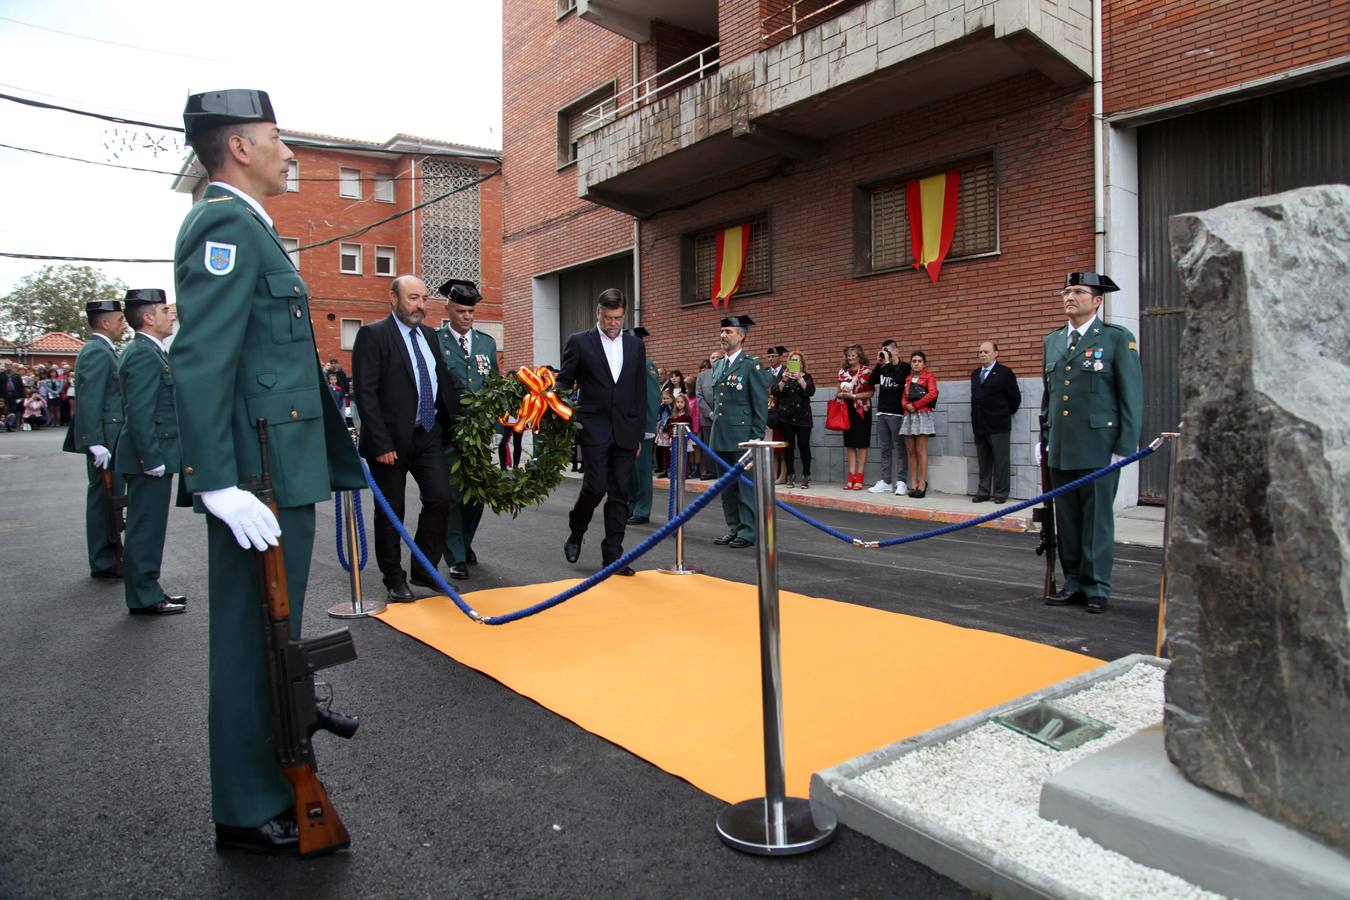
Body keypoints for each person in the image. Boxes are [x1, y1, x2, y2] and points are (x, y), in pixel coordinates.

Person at [171, 89, 366, 855]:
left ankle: (266, 786)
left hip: (279, 470)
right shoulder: (222, 222)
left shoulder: (254, 227)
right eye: (279, 140)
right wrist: (216, 482)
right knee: (254, 643)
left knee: (273, 642)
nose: (292, 155)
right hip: (256, 479)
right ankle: (249, 806)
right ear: (240, 148)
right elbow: (200, 356)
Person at [353, 275, 460, 600]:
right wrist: (380, 442)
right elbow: (365, 393)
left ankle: (425, 570)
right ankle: (394, 578)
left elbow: (441, 383)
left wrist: (462, 421)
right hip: (389, 443)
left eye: (424, 299)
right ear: (393, 298)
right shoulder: (373, 335)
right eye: (413, 298)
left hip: (427, 433)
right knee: (391, 511)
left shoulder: (429, 336)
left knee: (441, 498)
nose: (420, 306)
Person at [1041, 272, 1142, 615]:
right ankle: (1073, 583)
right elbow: (1050, 397)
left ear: (1097, 300)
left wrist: (1124, 449)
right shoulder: (1052, 341)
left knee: (1097, 519)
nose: (1070, 296)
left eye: (1079, 291)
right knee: (1067, 519)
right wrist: (1045, 439)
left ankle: (1096, 585)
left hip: (1100, 447)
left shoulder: (1116, 339)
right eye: (1066, 290)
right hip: (1062, 446)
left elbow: (1131, 397)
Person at [556, 289, 646, 575]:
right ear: (598, 314)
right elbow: (564, 381)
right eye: (607, 318)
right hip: (593, 427)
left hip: (626, 430)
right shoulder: (580, 342)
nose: (612, 323)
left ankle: (613, 557)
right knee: (595, 488)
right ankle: (577, 529)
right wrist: (559, 407)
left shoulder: (635, 345)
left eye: (617, 318)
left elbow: (640, 391)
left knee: (620, 494)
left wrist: (641, 433)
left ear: (624, 315)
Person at [114, 288, 188, 616]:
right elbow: (140, 411)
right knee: (145, 528)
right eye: (164, 310)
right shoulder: (144, 353)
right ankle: (144, 595)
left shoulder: (151, 351)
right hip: (149, 457)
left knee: (149, 527)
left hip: (152, 454)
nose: (170, 315)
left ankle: (148, 588)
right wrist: (151, 457)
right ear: (148, 317)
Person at [435, 278, 496, 580]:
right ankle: (455, 554)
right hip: (451, 430)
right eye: (461, 311)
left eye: (471, 311)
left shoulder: (487, 343)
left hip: (481, 433)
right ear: (448, 308)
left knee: (478, 494)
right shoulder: (436, 341)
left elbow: (494, 384)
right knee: (454, 494)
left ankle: (465, 542)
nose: (467, 317)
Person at [62, 299, 127, 578]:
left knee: (109, 498)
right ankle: (104, 560)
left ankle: (110, 556)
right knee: (103, 500)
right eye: (120, 320)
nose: (124, 325)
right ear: (105, 323)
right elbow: (89, 398)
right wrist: (93, 441)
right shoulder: (97, 352)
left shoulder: (102, 350)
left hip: (109, 436)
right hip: (105, 438)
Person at [709, 315, 768, 547]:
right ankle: (733, 527)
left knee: (745, 486)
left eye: (728, 331)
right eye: (722, 331)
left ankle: (748, 530)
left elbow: (760, 403)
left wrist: (756, 436)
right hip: (720, 434)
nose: (723, 335)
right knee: (726, 487)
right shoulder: (717, 365)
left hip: (743, 437)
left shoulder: (751, 365)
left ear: (741, 336)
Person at [970, 340, 1022, 504]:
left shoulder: (1005, 373)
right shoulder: (975, 374)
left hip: (998, 424)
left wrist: (1003, 413)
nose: (982, 355)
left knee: (1000, 460)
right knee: (983, 461)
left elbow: (1015, 399)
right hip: (980, 424)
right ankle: (983, 491)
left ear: (995, 353)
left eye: (986, 351)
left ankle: (1001, 493)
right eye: (980, 352)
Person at [626, 325, 660, 527]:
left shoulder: (646, 365)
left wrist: (647, 428)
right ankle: (630, 506)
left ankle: (642, 509)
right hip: (625, 427)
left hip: (641, 428)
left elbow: (652, 399)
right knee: (628, 471)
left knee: (641, 470)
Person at [867, 339, 911, 495]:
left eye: (887, 350)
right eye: (883, 350)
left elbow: (899, 380)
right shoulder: (883, 367)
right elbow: (870, 382)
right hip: (882, 412)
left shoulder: (904, 367)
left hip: (897, 413)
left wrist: (890, 363)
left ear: (896, 351)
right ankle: (886, 481)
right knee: (885, 448)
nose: (884, 352)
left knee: (900, 448)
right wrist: (880, 364)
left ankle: (901, 481)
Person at [771, 349, 816, 488]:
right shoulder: (784, 376)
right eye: (792, 360)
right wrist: (783, 380)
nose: (794, 362)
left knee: (804, 446)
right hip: (786, 418)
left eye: (797, 360)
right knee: (788, 448)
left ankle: (806, 476)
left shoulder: (807, 377)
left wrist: (800, 378)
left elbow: (810, 391)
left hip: (803, 418)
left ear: (802, 364)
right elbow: (775, 392)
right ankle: (790, 475)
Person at [900, 350, 938, 498]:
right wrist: (906, 406)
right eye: (914, 361)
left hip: (922, 415)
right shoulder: (908, 379)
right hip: (908, 416)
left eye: (919, 361)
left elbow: (932, 394)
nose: (916, 363)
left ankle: (922, 483)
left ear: (924, 364)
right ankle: (914, 482)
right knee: (911, 451)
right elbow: (903, 397)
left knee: (921, 450)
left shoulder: (929, 376)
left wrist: (915, 405)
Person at [837, 344, 874, 490]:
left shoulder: (866, 372)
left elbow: (871, 393)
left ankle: (860, 476)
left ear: (859, 356)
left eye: (853, 355)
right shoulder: (842, 373)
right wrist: (842, 394)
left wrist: (853, 395)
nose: (851, 358)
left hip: (863, 410)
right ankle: (851, 476)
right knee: (850, 444)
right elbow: (837, 392)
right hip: (847, 411)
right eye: (848, 355)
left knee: (862, 444)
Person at [695, 351, 722, 478]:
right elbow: (699, 396)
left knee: (723, 446)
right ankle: (712, 471)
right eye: (713, 357)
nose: (715, 359)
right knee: (708, 446)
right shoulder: (702, 376)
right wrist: (710, 413)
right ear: (710, 360)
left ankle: (723, 470)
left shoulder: (728, 372)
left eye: (718, 357)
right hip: (708, 418)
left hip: (724, 417)